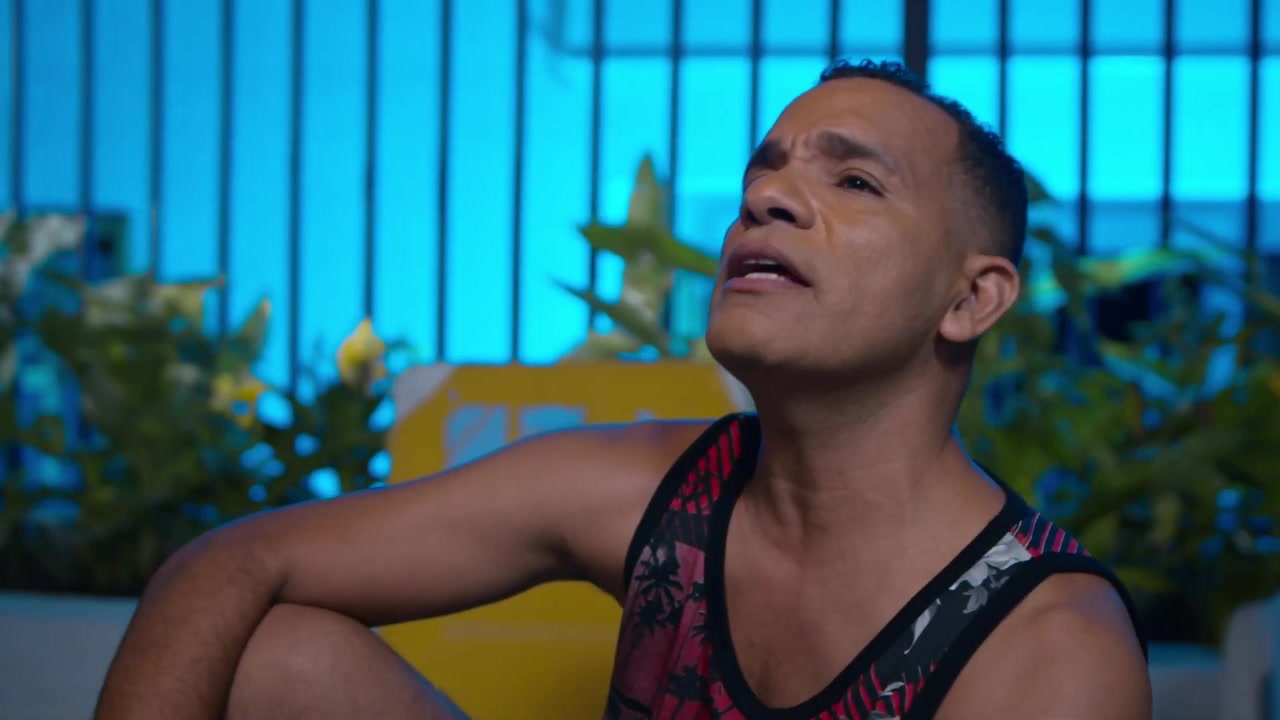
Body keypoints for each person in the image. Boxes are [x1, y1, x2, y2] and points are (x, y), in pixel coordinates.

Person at [95, 59, 1151, 720]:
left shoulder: (1044, 650)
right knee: (278, 659)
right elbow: (230, 563)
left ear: (971, 299)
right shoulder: (656, 491)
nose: (768, 197)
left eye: (854, 180)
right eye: (767, 172)